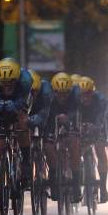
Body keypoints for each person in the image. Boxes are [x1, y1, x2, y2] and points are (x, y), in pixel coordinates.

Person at [0, 57, 32, 211]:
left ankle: (25, 160)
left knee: (21, 125)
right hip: (1, 109)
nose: (6, 86)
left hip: (20, 104)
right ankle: (1, 187)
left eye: (10, 82)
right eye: (3, 83)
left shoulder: (25, 80)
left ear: (17, 79)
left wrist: (16, 105)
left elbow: (25, 100)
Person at [44, 72, 81, 203]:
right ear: (54, 91)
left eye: (65, 93)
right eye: (59, 93)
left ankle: (76, 185)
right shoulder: (48, 97)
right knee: (48, 146)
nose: (62, 96)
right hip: (52, 121)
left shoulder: (75, 96)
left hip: (70, 120)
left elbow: (77, 113)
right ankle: (53, 177)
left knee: (74, 143)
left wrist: (68, 118)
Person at [77, 76, 108, 203]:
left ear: (93, 92)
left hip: (98, 127)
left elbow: (103, 116)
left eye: (88, 94)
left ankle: (103, 187)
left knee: (100, 149)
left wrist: (96, 126)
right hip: (82, 129)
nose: (85, 97)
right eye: (83, 95)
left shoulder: (100, 99)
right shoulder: (76, 101)